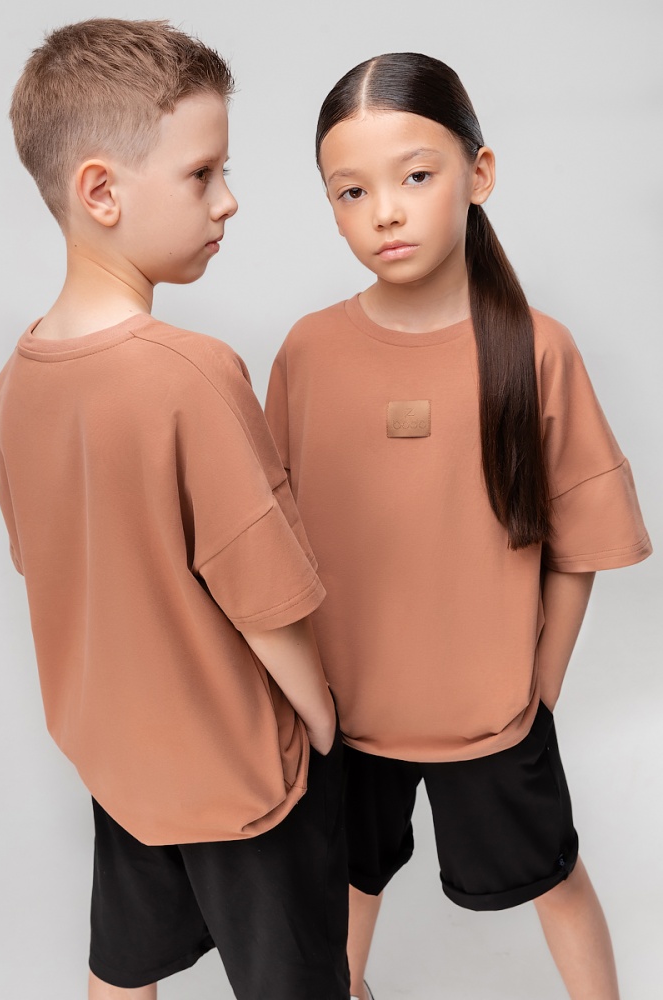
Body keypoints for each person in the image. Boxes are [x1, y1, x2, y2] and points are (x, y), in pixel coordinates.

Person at [265, 52, 652, 1000]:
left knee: (554, 878)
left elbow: (582, 544)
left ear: (479, 174)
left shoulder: (537, 348)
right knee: (341, 897)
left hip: (494, 717)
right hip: (347, 717)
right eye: (351, 191)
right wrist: (308, 703)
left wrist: (538, 691)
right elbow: (272, 543)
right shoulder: (309, 351)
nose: (384, 213)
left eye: (414, 176)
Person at [0, 19, 349, 1000]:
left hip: (121, 767)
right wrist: (322, 720)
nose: (229, 200)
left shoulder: (8, 392)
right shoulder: (191, 373)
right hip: (242, 775)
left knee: (122, 969)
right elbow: (265, 596)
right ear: (101, 191)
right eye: (202, 174)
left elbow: (58, 568)